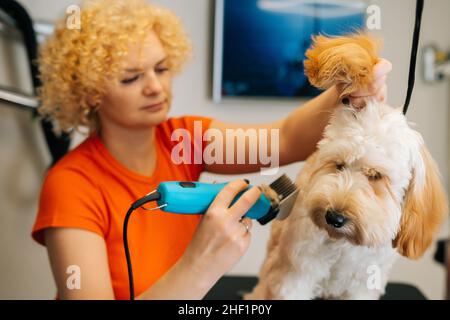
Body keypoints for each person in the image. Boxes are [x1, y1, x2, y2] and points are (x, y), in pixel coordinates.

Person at [32, 0, 392, 300]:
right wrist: (200, 265)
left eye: (161, 68)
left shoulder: (183, 141)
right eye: (132, 77)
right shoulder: (70, 185)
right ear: (91, 92)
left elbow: (284, 138)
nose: (156, 87)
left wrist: (349, 92)